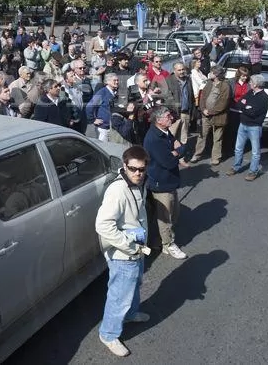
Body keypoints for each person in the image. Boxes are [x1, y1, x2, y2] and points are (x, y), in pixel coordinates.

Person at [95, 145, 152, 357]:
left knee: (134, 285)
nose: (138, 173)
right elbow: (103, 225)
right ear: (124, 166)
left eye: (142, 169)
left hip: (136, 249)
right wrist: (128, 245)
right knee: (119, 295)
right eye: (133, 169)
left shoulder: (140, 183)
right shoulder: (117, 191)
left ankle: (130, 314)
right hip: (123, 253)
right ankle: (108, 334)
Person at [143, 106, 189, 260]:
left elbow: (179, 146)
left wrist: (177, 150)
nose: (171, 118)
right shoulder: (154, 139)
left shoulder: (164, 132)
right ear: (159, 120)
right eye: (168, 116)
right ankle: (168, 245)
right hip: (160, 184)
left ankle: (159, 240)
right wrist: (178, 151)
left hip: (170, 181)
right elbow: (169, 162)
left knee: (174, 213)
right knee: (165, 217)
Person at [225, 74, 268, 181]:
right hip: (243, 124)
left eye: (251, 82)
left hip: (254, 127)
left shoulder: (264, 98)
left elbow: (253, 112)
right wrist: (246, 107)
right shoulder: (250, 92)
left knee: (255, 152)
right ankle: (236, 166)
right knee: (238, 148)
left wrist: (245, 107)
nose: (249, 83)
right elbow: (239, 104)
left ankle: (253, 171)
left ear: (256, 84)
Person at [190, 65, 231, 166]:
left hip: (218, 117)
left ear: (216, 74)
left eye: (211, 72)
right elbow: (202, 97)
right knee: (202, 136)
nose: (209, 74)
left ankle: (215, 157)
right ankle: (197, 154)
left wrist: (211, 112)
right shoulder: (209, 83)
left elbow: (223, 102)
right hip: (205, 115)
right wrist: (203, 109)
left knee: (217, 138)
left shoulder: (225, 86)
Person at [86, 73, 119, 141]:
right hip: (104, 129)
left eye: (117, 80)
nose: (117, 82)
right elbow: (90, 106)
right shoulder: (102, 92)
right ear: (107, 82)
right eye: (114, 80)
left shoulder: (115, 92)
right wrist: (93, 119)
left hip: (113, 127)